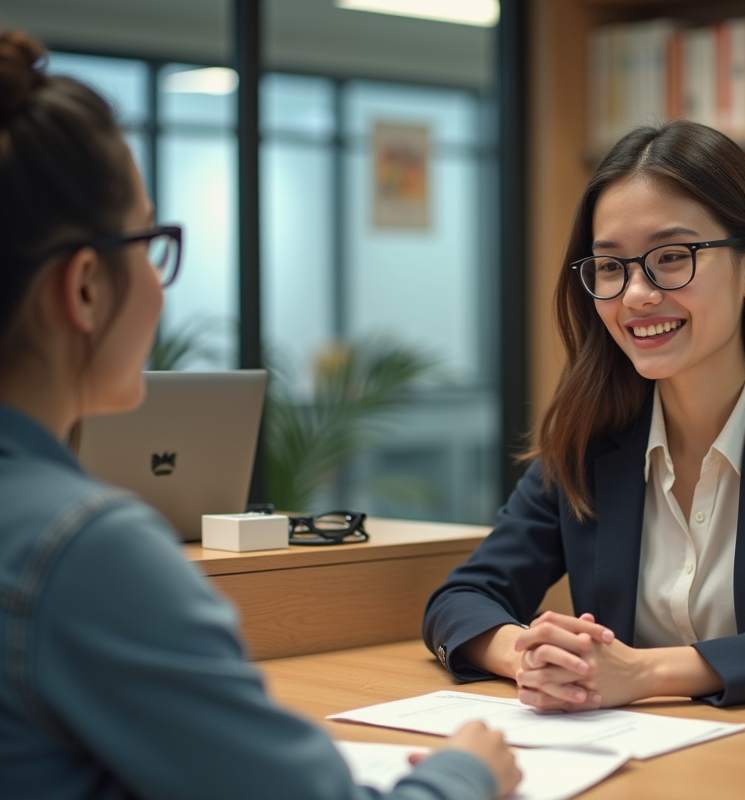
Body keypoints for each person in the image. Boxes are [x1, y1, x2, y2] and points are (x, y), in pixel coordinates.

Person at [0, 30, 519, 800]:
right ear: (84, 288)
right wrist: (466, 772)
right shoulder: (83, 551)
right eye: (149, 243)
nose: (160, 284)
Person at [424, 119, 745, 710]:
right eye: (611, 267)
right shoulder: (588, 440)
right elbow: (461, 599)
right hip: (633, 751)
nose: (636, 294)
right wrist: (530, 657)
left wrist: (646, 673)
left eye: (671, 257)